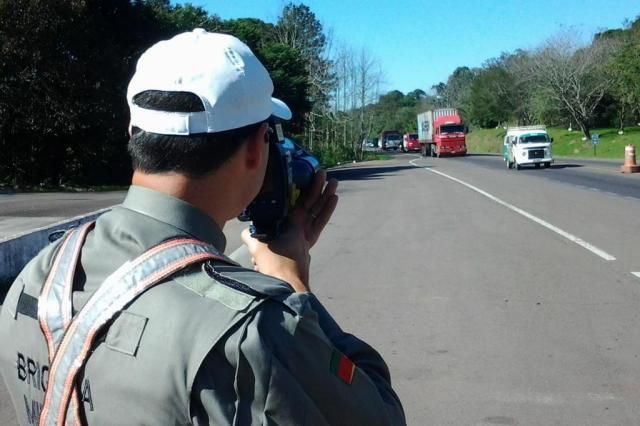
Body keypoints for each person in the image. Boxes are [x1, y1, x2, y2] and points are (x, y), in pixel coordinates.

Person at [0, 29, 405, 425]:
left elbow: (167, 291)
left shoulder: (39, 273)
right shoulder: (258, 333)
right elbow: (380, 412)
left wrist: (254, 262)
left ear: (133, 133)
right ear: (253, 148)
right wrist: (295, 290)